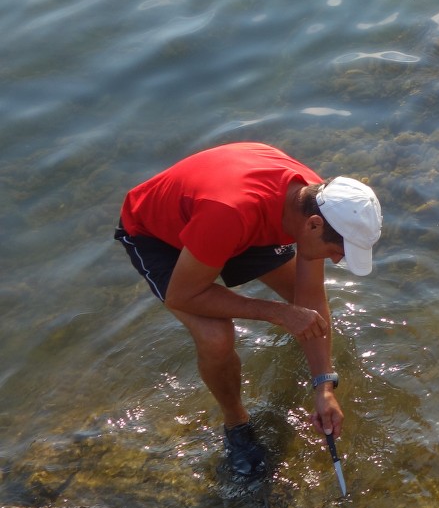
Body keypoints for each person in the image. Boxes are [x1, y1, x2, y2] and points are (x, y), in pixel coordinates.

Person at [114, 142, 383, 478]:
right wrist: (276, 312)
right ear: (313, 226)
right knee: (216, 336)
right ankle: (236, 424)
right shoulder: (230, 213)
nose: (338, 260)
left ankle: (316, 373)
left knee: (298, 299)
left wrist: (324, 387)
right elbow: (182, 296)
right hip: (159, 233)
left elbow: (310, 298)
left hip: (231, 223)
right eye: (337, 250)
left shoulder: (318, 198)